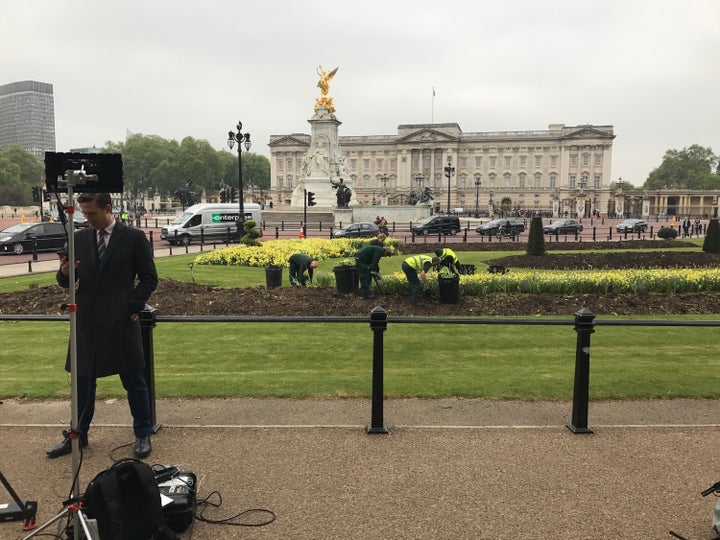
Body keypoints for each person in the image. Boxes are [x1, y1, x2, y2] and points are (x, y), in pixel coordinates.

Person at [47, 192, 158, 459]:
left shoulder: (132, 238)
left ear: (108, 208)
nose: (88, 218)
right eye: (84, 213)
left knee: (134, 381)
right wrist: (63, 274)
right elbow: (66, 281)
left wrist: (129, 306)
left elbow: (149, 278)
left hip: (120, 322)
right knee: (82, 383)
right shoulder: (79, 238)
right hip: (86, 322)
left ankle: (142, 433)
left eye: (92, 213)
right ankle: (79, 434)